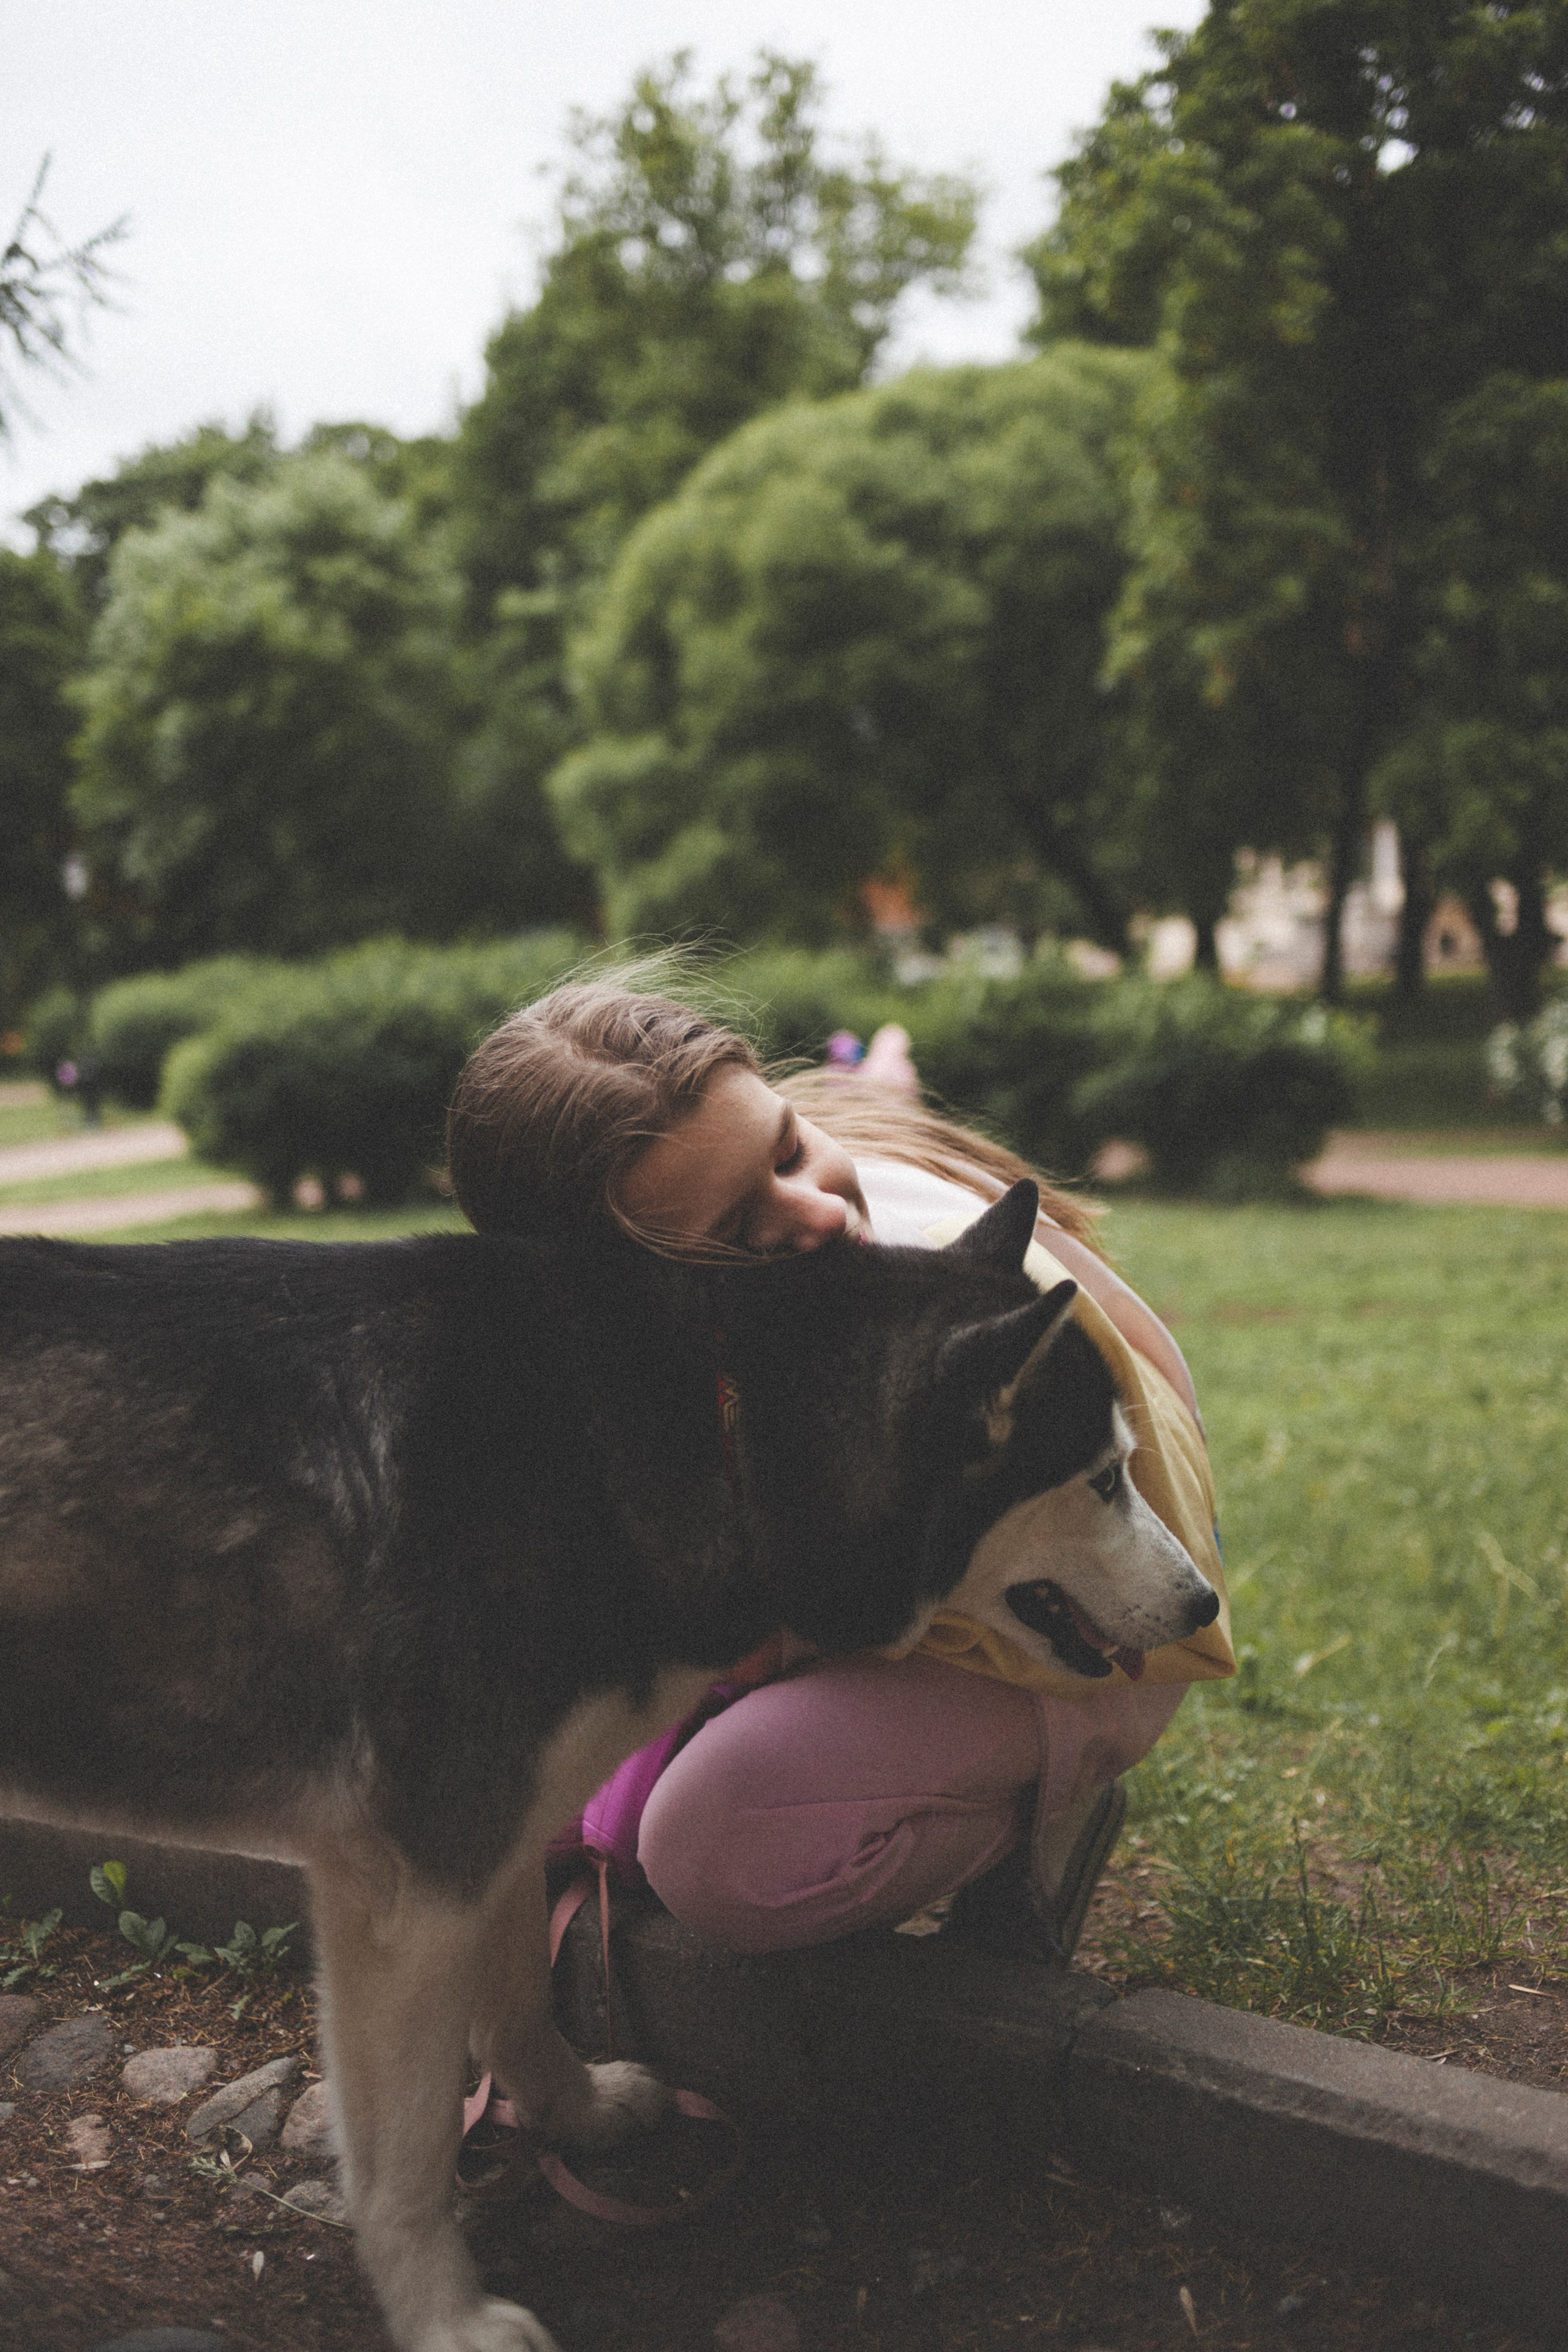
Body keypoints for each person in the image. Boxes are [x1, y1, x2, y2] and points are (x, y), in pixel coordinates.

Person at [445, 975, 1232, 1962]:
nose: (817, 1213)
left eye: (788, 1150)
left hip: (1090, 1629)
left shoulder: (945, 1322)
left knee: (715, 1841)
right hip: (909, 1587)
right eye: (738, 1232)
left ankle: (1026, 1835)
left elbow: (1147, 1557)